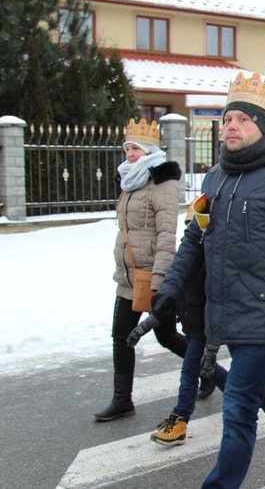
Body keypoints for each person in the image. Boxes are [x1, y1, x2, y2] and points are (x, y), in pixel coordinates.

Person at [152, 72, 265, 489]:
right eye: (228, 118)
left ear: (263, 128)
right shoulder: (215, 178)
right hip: (224, 309)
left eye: (243, 120)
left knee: (238, 407)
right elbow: (194, 239)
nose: (231, 125)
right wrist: (171, 288)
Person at [94, 118, 186, 422]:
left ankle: (208, 373)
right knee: (120, 336)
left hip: (152, 277)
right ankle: (122, 400)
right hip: (128, 277)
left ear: (148, 150)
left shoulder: (162, 184)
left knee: (167, 337)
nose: (129, 154)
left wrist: (161, 280)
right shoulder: (130, 181)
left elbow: (166, 235)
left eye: (134, 148)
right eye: (127, 148)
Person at [126, 200, 230, 446]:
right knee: (205, 367)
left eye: (194, 225)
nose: (192, 232)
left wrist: (213, 336)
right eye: (188, 225)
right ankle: (240, 397)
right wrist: (154, 318)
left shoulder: (213, 260)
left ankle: (180, 420)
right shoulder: (186, 258)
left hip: (204, 325)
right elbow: (175, 295)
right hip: (192, 324)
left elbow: (216, 297)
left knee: (190, 371)